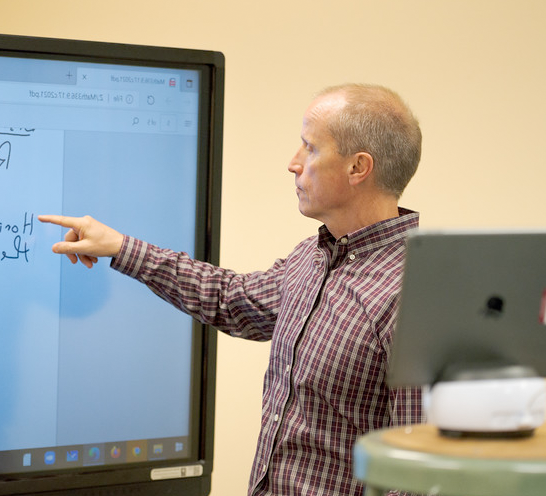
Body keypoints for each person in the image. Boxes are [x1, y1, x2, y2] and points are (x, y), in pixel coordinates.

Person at [39, 83, 424, 496]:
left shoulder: (416, 295)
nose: (293, 163)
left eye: (310, 148)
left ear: (357, 168)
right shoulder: (314, 256)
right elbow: (231, 298)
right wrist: (121, 247)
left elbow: (418, 474)